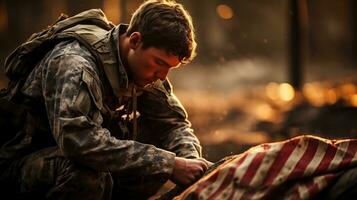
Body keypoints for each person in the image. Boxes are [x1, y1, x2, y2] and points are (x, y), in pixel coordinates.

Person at [0, 0, 211, 199]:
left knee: (156, 152)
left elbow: (173, 123)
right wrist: (169, 164)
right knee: (86, 173)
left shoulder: (143, 68)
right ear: (135, 41)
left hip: (70, 159)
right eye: (159, 63)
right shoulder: (74, 62)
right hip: (20, 166)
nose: (163, 76)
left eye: (169, 68)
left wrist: (191, 162)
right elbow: (79, 141)